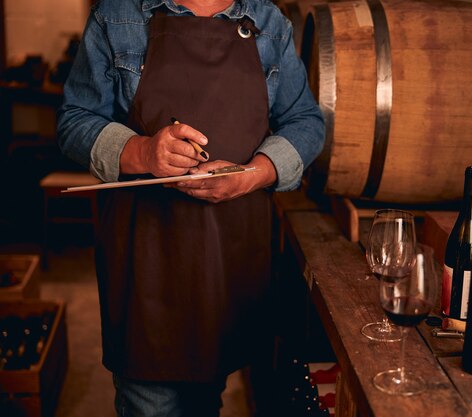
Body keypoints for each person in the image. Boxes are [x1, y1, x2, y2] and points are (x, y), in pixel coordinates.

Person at [56, 0, 325, 415]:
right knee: (149, 402)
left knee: (205, 400)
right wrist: (143, 151)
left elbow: (306, 121)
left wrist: (253, 173)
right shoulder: (117, 16)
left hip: (225, 262)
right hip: (144, 262)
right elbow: (74, 120)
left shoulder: (270, 23)